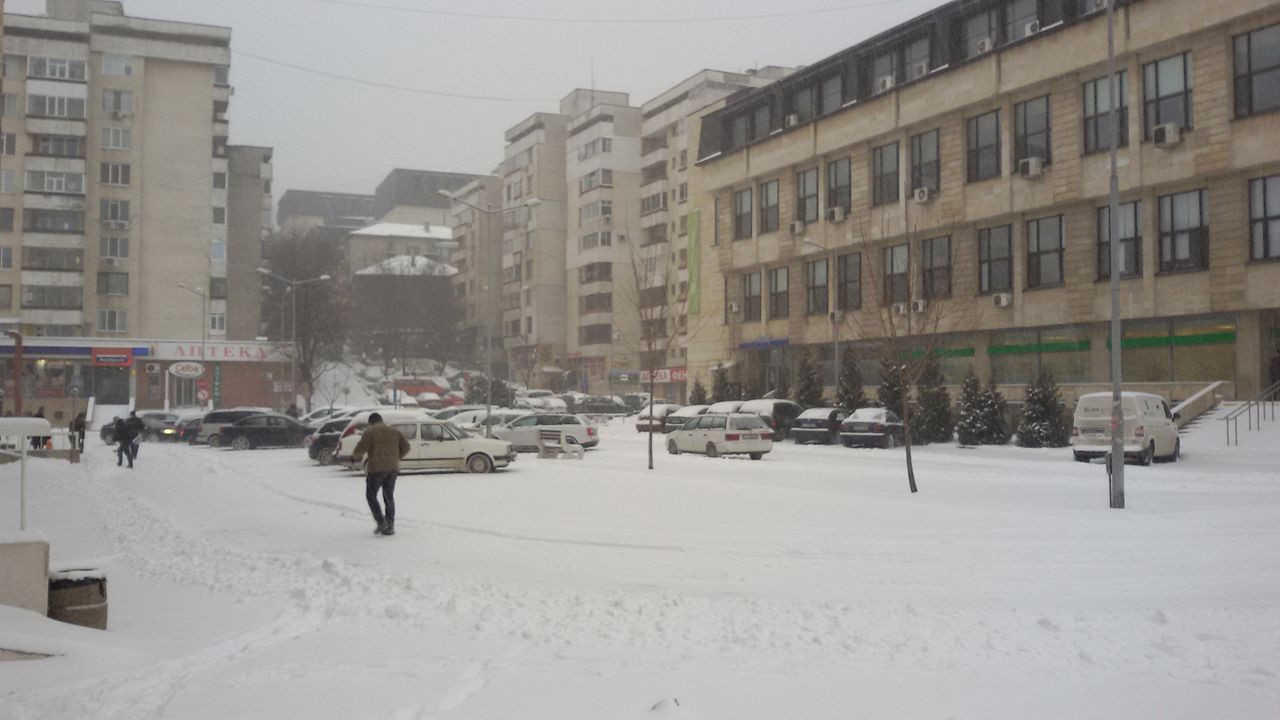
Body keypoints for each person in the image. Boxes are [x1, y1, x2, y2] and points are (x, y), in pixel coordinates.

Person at [351, 412, 409, 536]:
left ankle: (381, 522)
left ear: (371, 422)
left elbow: (362, 447)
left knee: (371, 496)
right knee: (388, 496)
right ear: (381, 420)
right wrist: (396, 457)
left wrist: (354, 456)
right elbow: (406, 447)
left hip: (376, 468)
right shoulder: (394, 431)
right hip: (392, 468)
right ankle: (390, 525)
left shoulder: (370, 431)